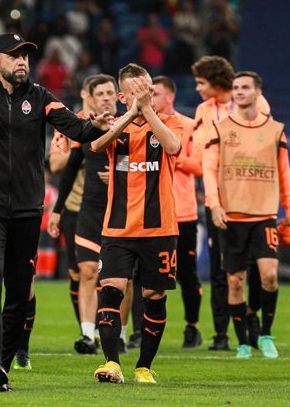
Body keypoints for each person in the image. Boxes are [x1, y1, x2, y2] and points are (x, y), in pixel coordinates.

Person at [0, 33, 113, 392]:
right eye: (14, 55)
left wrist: (95, 123)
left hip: (28, 207)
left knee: (19, 291)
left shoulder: (42, 98)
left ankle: (1, 361)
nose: (22, 61)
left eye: (25, 56)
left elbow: (76, 129)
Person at [91, 63, 182, 384]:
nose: (145, 97)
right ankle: (112, 363)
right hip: (117, 228)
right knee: (111, 291)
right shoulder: (113, 125)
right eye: (137, 93)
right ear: (121, 96)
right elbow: (96, 146)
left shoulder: (172, 122)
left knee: (154, 296)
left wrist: (147, 112)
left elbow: (173, 147)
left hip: (160, 228)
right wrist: (131, 114)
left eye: (149, 92)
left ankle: (144, 366)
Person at [202, 71, 290, 359]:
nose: (240, 92)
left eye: (245, 87)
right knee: (235, 281)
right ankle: (243, 342)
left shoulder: (276, 130)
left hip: (264, 215)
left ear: (258, 92)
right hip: (231, 217)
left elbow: (284, 174)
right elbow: (209, 170)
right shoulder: (219, 129)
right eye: (236, 88)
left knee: (269, 275)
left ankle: (266, 334)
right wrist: (214, 204)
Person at [191, 55, 270, 350]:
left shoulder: (256, 104)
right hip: (220, 199)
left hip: (252, 199)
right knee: (221, 269)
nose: (198, 88)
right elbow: (200, 151)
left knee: (257, 268)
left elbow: (261, 145)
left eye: (201, 82)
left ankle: (251, 317)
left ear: (216, 82)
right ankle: (222, 334)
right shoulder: (204, 110)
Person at [48, 74, 118, 355]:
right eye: (98, 93)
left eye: (109, 93)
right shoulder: (70, 125)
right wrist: (83, 137)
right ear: (87, 95)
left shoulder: (123, 124)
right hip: (77, 208)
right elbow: (55, 164)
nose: (105, 98)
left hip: (113, 207)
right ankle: (87, 331)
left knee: (115, 274)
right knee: (79, 272)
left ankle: (113, 330)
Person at [151, 75, 204, 348]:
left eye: (156, 94)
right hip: (152, 212)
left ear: (169, 97)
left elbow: (200, 165)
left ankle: (192, 327)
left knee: (187, 273)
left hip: (183, 212)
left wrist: (172, 151)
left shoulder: (189, 125)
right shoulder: (144, 125)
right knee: (144, 276)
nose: (151, 99)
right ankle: (140, 329)